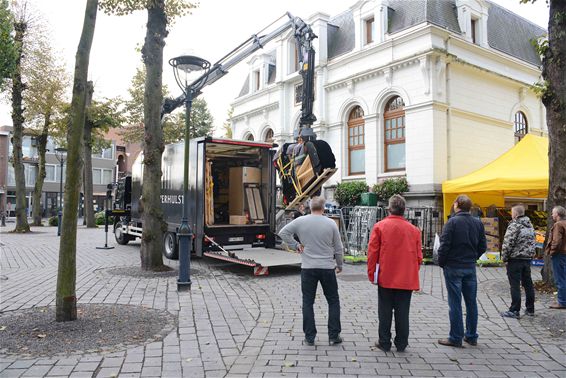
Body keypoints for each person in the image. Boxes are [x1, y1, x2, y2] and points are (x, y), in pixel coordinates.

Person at [278, 196, 344, 346]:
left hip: (308, 267)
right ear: (323, 208)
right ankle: (334, 335)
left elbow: (282, 232)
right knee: (333, 300)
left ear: (310, 207)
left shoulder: (301, 221)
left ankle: (310, 336)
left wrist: (296, 245)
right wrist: (339, 264)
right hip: (327, 267)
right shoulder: (330, 223)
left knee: (307, 301)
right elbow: (338, 247)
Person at [367, 195, 422, 352]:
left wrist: (372, 274)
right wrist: (412, 272)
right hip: (405, 277)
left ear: (389, 208)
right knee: (403, 312)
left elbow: (372, 253)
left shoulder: (380, 226)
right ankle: (401, 343)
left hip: (386, 275)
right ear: (404, 210)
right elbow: (419, 257)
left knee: (384, 311)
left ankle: (384, 342)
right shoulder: (414, 230)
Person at [437, 194, 487, 347]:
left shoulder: (452, 222)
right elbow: (483, 246)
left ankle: (455, 337)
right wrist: (473, 257)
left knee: (455, 303)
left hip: (453, 266)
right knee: (471, 302)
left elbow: (444, 245)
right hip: (469, 266)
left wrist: (442, 262)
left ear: (457, 205)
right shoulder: (477, 223)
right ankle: (471, 335)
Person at [500, 204, 536, 318]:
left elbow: (508, 243)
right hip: (527, 259)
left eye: (512, 212)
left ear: (515, 214)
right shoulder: (530, 226)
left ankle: (514, 310)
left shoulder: (514, 225)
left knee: (514, 285)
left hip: (515, 259)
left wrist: (504, 258)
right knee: (528, 284)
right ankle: (530, 309)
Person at [545, 205, 566, 309]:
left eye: (553, 213)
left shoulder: (558, 225)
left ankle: (562, 302)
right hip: (564, 254)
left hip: (559, 254)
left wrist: (552, 251)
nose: (552, 215)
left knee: (560, 279)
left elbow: (556, 241)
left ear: (557, 215)